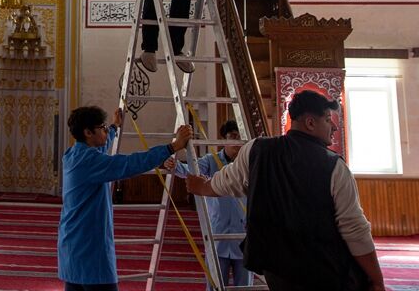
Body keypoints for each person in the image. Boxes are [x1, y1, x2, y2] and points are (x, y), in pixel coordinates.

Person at [184, 91, 385, 291]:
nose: (333, 126)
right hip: (322, 272)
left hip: (275, 270)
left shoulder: (257, 150)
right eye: (327, 119)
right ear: (310, 123)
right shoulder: (334, 166)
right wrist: (376, 279)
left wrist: (200, 186)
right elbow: (354, 230)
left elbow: (224, 183)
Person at [58, 106, 192, 290]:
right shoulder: (90, 161)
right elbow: (129, 164)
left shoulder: (73, 154)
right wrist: (172, 147)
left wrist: (114, 127)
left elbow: (102, 147)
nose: (105, 131)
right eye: (102, 127)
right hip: (90, 249)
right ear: (88, 132)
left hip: (71, 248)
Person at [164, 120, 250, 287]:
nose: (237, 142)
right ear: (224, 139)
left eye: (240, 138)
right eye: (233, 136)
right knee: (215, 284)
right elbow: (191, 171)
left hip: (243, 235)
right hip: (218, 234)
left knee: (245, 285)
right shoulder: (211, 161)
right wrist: (175, 165)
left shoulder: (247, 163)